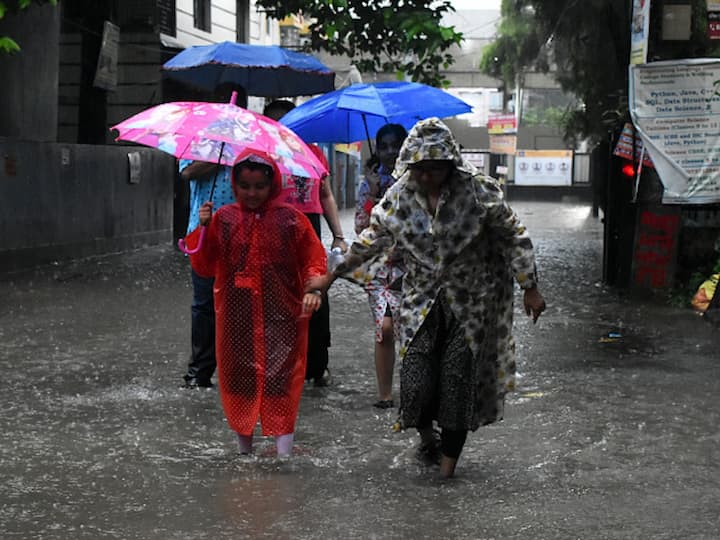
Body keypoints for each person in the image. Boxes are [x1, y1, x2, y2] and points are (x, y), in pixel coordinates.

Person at [308, 118, 546, 478]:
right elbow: (370, 240)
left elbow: (514, 235)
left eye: (434, 170)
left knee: (457, 381)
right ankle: (426, 437)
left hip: (472, 304)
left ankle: (447, 471)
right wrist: (329, 276)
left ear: (450, 165)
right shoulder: (400, 195)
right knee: (417, 378)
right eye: (420, 169)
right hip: (420, 303)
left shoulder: (480, 192)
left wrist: (529, 286)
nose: (426, 177)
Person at [183, 154, 327, 456]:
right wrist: (204, 228)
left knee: (282, 377)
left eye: (260, 186)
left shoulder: (291, 218)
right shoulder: (223, 219)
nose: (252, 193)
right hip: (237, 317)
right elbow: (205, 265)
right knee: (238, 377)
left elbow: (313, 258)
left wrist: (314, 289)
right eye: (245, 186)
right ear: (234, 184)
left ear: (272, 183)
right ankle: (243, 450)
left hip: (282, 315)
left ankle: (284, 451)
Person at [263, 99, 348, 387]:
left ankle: (317, 364)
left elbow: (325, 195)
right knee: (279, 299)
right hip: (274, 229)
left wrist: (338, 235)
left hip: (309, 229)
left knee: (317, 293)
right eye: (275, 121)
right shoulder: (263, 156)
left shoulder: (312, 154)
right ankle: (282, 365)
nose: (281, 127)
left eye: (287, 120)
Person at [180, 84, 247, 389]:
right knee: (203, 303)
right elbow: (188, 172)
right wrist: (219, 154)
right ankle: (200, 372)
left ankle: (236, 371)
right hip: (202, 230)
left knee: (238, 302)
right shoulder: (198, 136)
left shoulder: (250, 142)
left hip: (242, 232)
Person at [354, 124, 408, 409]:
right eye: (383, 146)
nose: (390, 151)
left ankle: (415, 388)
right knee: (384, 328)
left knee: (411, 329)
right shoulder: (369, 183)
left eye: (395, 145)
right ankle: (385, 395)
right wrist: (374, 195)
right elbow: (361, 228)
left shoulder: (415, 181)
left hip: (412, 267)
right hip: (378, 268)